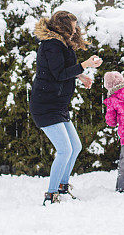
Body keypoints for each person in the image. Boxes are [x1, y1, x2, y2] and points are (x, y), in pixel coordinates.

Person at [29, 11, 102, 205]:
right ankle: (51, 195)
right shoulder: (51, 45)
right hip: (45, 105)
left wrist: (81, 76)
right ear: (63, 26)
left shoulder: (62, 44)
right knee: (64, 149)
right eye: (73, 25)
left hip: (58, 104)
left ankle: (62, 187)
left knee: (75, 147)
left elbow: (64, 70)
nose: (76, 28)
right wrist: (85, 65)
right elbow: (59, 74)